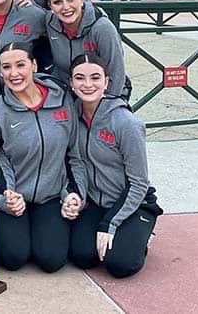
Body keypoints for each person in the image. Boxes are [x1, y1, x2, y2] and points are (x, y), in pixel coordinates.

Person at [0, 42, 86, 272]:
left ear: (34, 65)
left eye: (21, 65)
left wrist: (75, 196)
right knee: (14, 258)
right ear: (0, 72)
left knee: (51, 261)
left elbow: (74, 155)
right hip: (15, 195)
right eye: (6, 67)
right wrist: (4, 198)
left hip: (51, 196)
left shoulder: (63, 101)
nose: (14, 73)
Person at [68, 53, 162, 278]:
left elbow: (139, 183)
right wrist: (76, 196)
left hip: (134, 202)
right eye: (79, 78)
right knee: (82, 257)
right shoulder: (72, 115)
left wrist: (109, 223)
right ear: (71, 84)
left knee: (120, 265)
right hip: (97, 201)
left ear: (107, 82)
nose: (87, 85)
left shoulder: (126, 124)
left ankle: (142, 233)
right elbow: (77, 163)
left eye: (95, 78)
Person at [45, 0, 129, 99]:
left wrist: (104, 108)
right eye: (57, 2)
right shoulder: (49, 22)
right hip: (65, 95)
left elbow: (116, 74)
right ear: (50, 6)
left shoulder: (102, 28)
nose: (65, 7)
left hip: (102, 97)